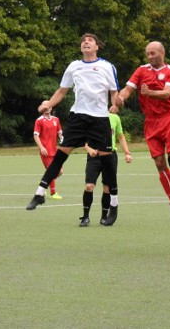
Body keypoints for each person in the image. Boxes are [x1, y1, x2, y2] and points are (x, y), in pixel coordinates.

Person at [26, 33, 119, 212]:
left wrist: (115, 105)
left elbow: (114, 91)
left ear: (97, 46)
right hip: (78, 117)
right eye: (83, 41)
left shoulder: (107, 66)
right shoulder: (74, 66)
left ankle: (114, 204)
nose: (86, 42)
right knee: (60, 156)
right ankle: (39, 193)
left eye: (90, 40)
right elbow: (62, 91)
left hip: (100, 119)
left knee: (107, 163)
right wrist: (48, 105)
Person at [115, 41, 170, 220]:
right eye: (147, 53)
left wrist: (150, 93)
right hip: (151, 122)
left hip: (169, 119)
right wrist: (121, 98)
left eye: (153, 53)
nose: (150, 56)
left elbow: (167, 93)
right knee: (159, 163)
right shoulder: (141, 70)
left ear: (162, 53)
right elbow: (128, 89)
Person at [80, 112, 133, 227]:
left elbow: (120, 136)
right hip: (94, 157)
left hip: (110, 155)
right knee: (89, 186)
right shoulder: (90, 117)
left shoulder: (114, 118)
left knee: (107, 188)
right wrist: (89, 150)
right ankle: (85, 217)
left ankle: (104, 217)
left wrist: (127, 153)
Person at [33, 107, 64, 199]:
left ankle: (44, 182)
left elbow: (59, 132)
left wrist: (61, 138)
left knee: (60, 172)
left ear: (51, 108)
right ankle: (53, 193)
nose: (47, 109)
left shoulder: (56, 119)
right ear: (42, 109)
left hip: (54, 150)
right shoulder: (39, 121)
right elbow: (36, 135)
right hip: (45, 151)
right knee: (53, 171)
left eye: (48, 107)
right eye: (45, 107)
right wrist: (41, 147)